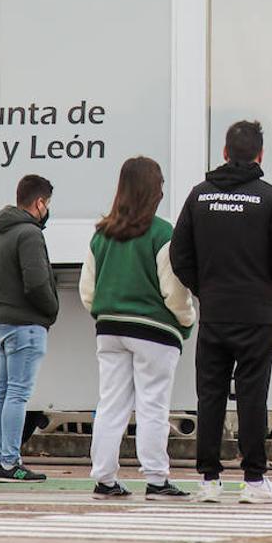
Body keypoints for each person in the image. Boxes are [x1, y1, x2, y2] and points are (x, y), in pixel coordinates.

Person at [171, 120, 272, 504]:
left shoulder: (199, 196)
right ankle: (254, 480)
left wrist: (204, 290)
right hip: (258, 313)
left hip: (214, 312)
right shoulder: (271, 197)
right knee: (252, 394)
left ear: (224, 153)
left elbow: (179, 254)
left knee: (209, 394)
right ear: (259, 155)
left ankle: (209, 480)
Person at [81, 156, 195, 501]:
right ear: (153, 190)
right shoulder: (162, 233)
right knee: (153, 405)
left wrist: (107, 313)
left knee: (111, 402)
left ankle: (104, 478)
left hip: (109, 328)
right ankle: (157, 479)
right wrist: (186, 320)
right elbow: (173, 291)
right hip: (154, 331)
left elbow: (88, 291)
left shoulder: (102, 233)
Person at [0, 174, 57, 483]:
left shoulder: (0, 232)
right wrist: (52, 309)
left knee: (2, 392)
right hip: (25, 323)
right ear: (39, 203)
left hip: (1, 321)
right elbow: (37, 282)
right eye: (48, 204)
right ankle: (10, 461)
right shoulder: (30, 234)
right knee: (17, 393)